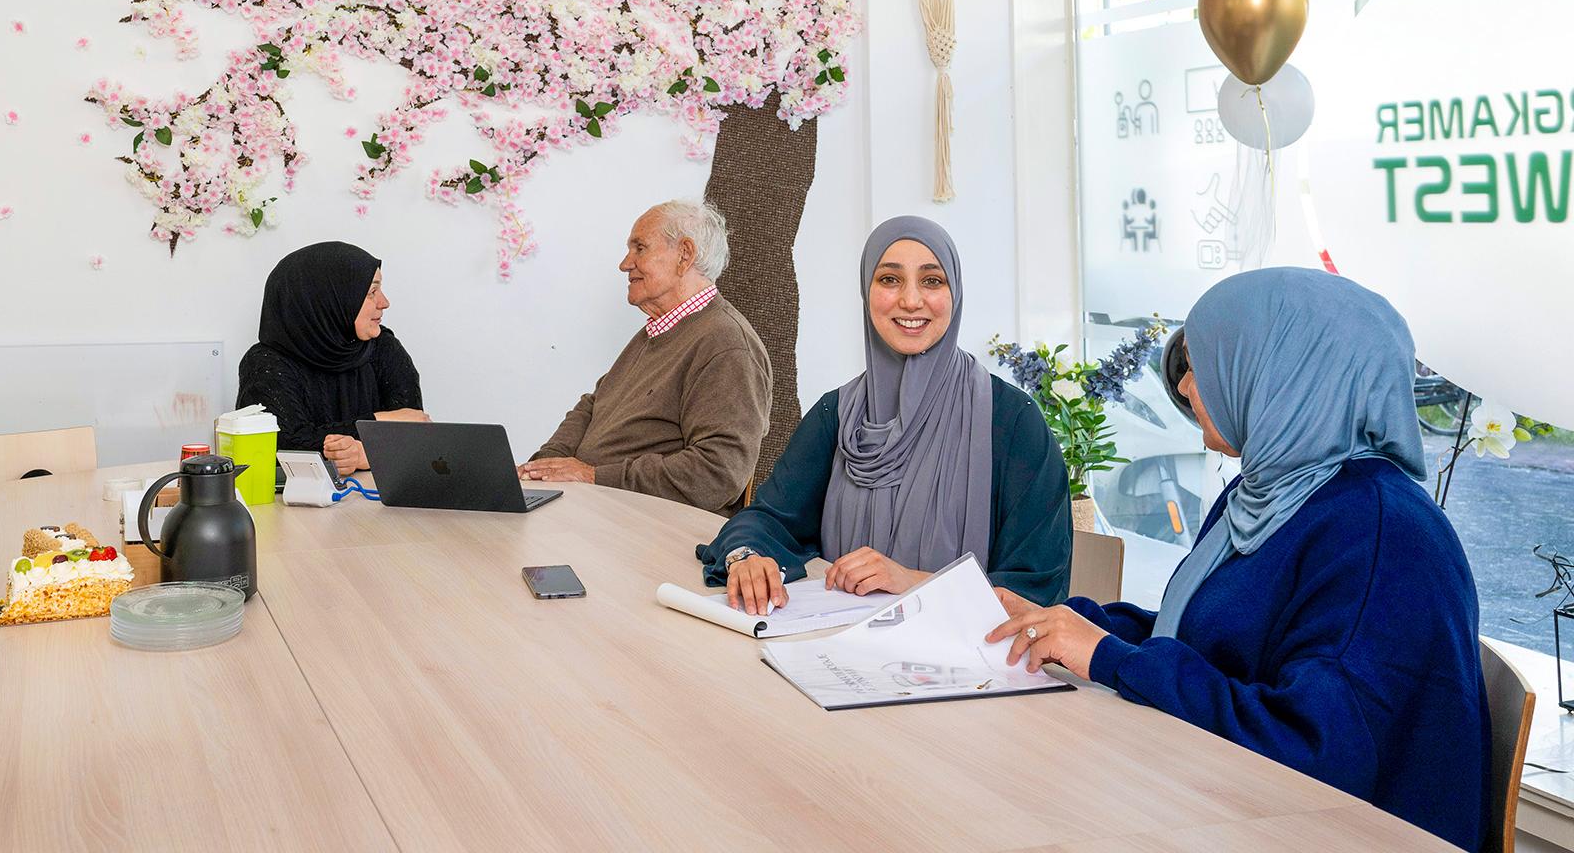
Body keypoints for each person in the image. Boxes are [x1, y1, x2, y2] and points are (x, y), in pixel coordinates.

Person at [989, 268, 1489, 851]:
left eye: (1204, 365)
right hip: (1227, 807)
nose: (1184, 387)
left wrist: (1108, 657)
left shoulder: (1383, 535)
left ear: (1284, 376)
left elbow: (1313, 754)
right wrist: (1065, 624)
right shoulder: (1270, 494)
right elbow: (1205, 638)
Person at [701, 216, 1071, 612]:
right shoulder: (836, 414)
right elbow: (769, 518)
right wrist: (748, 556)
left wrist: (913, 583)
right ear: (867, 291)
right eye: (890, 279)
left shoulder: (1013, 422)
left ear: (955, 293)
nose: (910, 300)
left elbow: (1038, 593)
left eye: (932, 281)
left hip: (962, 648)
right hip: (834, 636)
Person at [518, 200, 770, 515]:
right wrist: (544, 467)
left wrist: (594, 476)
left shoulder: (727, 344)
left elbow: (717, 473)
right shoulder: (658, 330)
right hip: (596, 509)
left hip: (647, 526)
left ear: (685, 255)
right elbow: (593, 406)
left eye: (640, 248)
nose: (625, 264)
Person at [236, 241, 428, 476]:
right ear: (329, 299)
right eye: (371, 293)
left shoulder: (382, 347)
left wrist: (363, 454)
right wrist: (376, 423)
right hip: (294, 498)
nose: (384, 302)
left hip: (376, 494)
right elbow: (282, 445)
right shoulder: (266, 362)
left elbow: (414, 432)